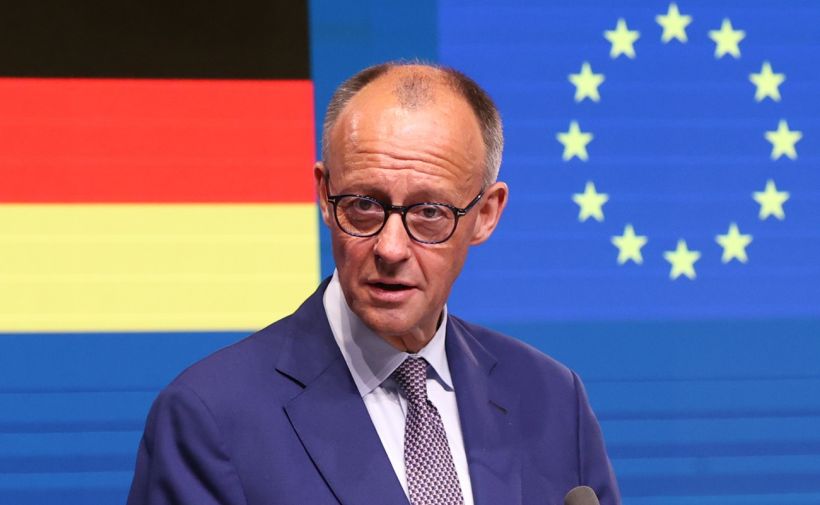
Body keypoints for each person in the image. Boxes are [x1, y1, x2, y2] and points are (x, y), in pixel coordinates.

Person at [127, 62, 621, 505]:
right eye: (364, 205)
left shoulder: (553, 400)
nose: (391, 247)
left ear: (486, 214)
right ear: (325, 195)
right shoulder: (211, 416)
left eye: (430, 212)